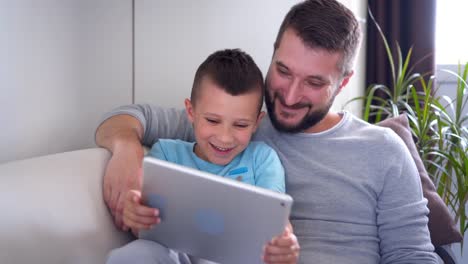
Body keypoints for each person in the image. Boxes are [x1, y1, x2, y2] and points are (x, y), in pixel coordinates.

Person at [96, 0, 439, 263]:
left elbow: (413, 255)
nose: (289, 96)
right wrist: (127, 149)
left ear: (344, 82)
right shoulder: (234, 125)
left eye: (314, 82)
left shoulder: (383, 149)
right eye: (283, 71)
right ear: (273, 54)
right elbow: (128, 117)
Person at [105, 49, 300, 264]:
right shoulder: (166, 154)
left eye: (241, 125)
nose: (225, 138)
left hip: (235, 258)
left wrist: (284, 243)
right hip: (174, 254)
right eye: (213, 121)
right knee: (134, 253)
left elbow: (276, 223)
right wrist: (135, 216)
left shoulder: (262, 159)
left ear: (257, 122)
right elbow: (146, 226)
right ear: (191, 112)